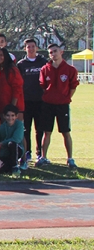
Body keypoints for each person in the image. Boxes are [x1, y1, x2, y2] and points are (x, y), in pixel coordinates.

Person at [37, 42, 79, 170]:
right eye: (51, 52)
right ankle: (43, 157)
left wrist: (66, 98)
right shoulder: (45, 69)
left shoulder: (70, 70)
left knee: (66, 132)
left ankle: (70, 158)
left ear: (61, 52)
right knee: (47, 132)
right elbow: (43, 86)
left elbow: (73, 86)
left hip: (62, 105)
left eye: (55, 51)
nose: (53, 54)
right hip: (48, 105)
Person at [17, 38, 47, 169]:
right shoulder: (21, 64)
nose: (31, 48)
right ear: (25, 49)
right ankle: (27, 152)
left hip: (41, 100)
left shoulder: (43, 62)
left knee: (39, 128)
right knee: (26, 128)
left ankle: (40, 153)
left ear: (37, 48)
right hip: (26, 101)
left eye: (33, 46)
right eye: (28, 47)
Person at [0, 105, 25, 176]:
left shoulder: (19, 125)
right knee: (1, 170)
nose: (10, 118)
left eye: (12, 115)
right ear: (4, 116)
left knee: (12, 143)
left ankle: (15, 167)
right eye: (8, 115)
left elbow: (16, 139)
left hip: (17, 149)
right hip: (5, 152)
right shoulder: (0, 128)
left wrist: (2, 143)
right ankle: (10, 167)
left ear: (16, 116)